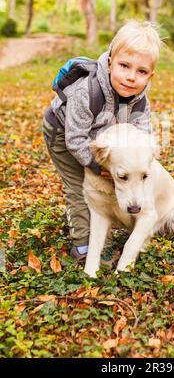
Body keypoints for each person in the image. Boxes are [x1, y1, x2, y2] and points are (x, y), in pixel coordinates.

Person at [42, 20, 164, 261]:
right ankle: (82, 242)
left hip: (98, 138)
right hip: (63, 135)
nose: (131, 77)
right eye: (124, 66)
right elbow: (76, 139)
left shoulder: (140, 101)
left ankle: (106, 223)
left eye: (141, 71)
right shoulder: (87, 92)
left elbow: (140, 136)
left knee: (110, 180)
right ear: (110, 63)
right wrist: (98, 167)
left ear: (151, 75)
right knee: (81, 187)